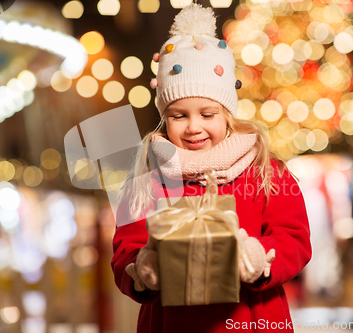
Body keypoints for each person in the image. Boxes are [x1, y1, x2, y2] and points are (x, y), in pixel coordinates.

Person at [111, 4, 312, 332]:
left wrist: (260, 257)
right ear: (165, 117)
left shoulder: (265, 171)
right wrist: (141, 268)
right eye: (179, 115)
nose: (193, 128)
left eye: (207, 114)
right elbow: (125, 249)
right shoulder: (147, 180)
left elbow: (294, 237)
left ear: (227, 114)